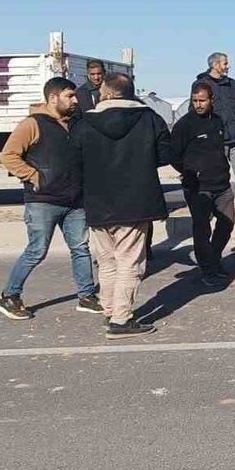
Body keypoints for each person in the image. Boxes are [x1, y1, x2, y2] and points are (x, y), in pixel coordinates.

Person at [71, 73, 172, 339]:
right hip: (136, 201)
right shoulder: (150, 119)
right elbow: (165, 155)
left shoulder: (83, 123)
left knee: (106, 261)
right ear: (129, 92)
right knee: (129, 262)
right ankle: (121, 319)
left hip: (96, 202)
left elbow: (74, 162)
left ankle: (109, 309)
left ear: (105, 93)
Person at [0, 77, 101, 320]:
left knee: (80, 249)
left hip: (75, 202)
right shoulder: (32, 124)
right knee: (37, 250)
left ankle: (86, 296)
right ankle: (9, 296)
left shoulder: (77, 123)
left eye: (75, 96)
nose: (75, 100)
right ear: (53, 98)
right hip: (43, 200)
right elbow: (9, 156)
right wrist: (34, 176)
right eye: (69, 96)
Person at [171, 81, 235, 287]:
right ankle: (208, 269)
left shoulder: (217, 121)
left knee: (227, 224)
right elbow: (173, 155)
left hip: (222, 184)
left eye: (202, 100)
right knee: (202, 229)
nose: (198, 104)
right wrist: (188, 173)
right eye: (195, 100)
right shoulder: (184, 125)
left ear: (211, 100)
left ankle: (214, 259)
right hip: (198, 188)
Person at [196, 53, 235, 218]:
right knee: (213, 176)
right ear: (215, 65)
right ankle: (211, 208)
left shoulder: (232, 83)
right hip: (215, 141)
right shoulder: (201, 84)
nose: (228, 66)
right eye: (225, 63)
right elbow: (196, 110)